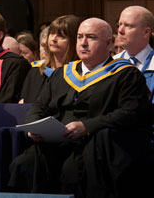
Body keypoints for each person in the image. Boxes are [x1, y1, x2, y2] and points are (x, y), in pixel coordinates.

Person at [9, 18, 152, 198]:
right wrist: (34, 125)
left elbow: (130, 113)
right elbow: (40, 106)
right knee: (25, 164)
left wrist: (86, 127)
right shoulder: (62, 73)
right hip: (56, 142)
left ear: (108, 43)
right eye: (79, 37)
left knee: (73, 170)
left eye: (91, 37)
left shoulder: (125, 75)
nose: (83, 43)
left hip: (95, 144)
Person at [19, 15, 80, 104]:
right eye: (52, 33)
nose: (54, 39)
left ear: (74, 41)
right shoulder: (37, 70)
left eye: (61, 36)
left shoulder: (78, 74)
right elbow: (23, 102)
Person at [113, 5, 154, 99]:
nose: (120, 30)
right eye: (119, 25)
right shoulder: (111, 63)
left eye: (128, 26)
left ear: (146, 32)